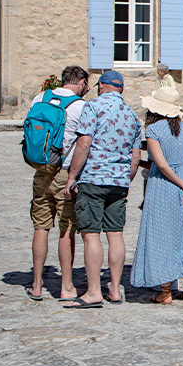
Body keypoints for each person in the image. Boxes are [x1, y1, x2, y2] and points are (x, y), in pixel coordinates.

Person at [63, 70, 142, 309]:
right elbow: (135, 157)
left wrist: (72, 176)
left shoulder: (93, 107)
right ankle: (115, 289)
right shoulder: (132, 115)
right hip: (119, 182)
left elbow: (83, 143)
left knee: (91, 234)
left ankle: (94, 292)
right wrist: (125, 179)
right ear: (121, 89)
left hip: (93, 179)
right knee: (115, 233)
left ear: (101, 86)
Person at [130, 87, 183, 304]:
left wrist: (181, 184)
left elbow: (160, 164)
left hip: (162, 186)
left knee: (161, 236)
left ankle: (165, 291)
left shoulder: (153, 130)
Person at [26, 66, 89, 301]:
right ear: (81, 82)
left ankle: (36, 284)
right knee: (66, 229)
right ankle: (66, 286)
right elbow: (84, 143)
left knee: (41, 227)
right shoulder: (80, 106)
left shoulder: (40, 98)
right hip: (65, 173)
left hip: (42, 170)